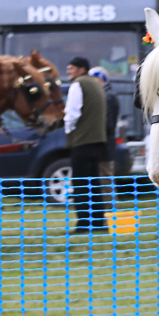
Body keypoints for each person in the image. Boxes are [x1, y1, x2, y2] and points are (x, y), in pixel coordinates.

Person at [64, 56, 108, 234]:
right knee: (94, 183)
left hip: (82, 141)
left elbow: (72, 112)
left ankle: (83, 223)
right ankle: (98, 222)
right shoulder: (97, 84)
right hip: (98, 140)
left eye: (72, 68)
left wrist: (68, 131)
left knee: (80, 183)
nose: (69, 71)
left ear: (82, 69)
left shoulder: (78, 85)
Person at [88, 66, 120, 177]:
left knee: (105, 180)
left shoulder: (107, 97)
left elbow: (107, 124)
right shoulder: (102, 95)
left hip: (104, 146)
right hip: (101, 145)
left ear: (100, 80)